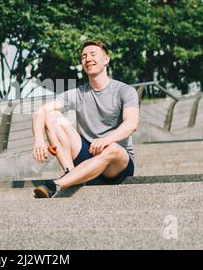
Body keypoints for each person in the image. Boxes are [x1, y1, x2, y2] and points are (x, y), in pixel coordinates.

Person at [31, 40, 140, 198]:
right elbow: (40, 111)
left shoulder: (125, 91)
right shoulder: (76, 93)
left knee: (113, 149)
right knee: (52, 116)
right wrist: (39, 140)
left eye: (93, 54)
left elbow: (132, 124)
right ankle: (71, 173)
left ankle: (59, 184)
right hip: (87, 154)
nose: (88, 58)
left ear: (106, 60)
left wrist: (107, 140)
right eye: (84, 56)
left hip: (116, 165)